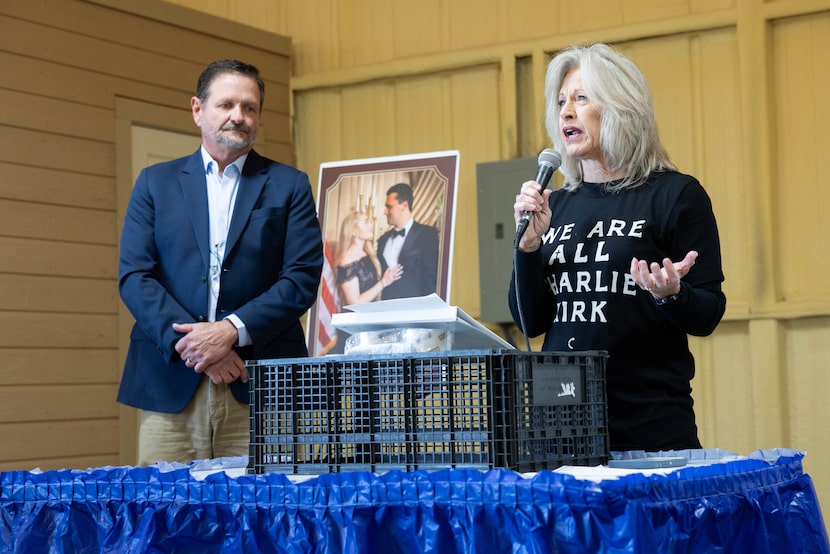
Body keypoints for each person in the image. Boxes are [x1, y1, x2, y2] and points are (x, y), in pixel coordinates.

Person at [509, 43, 726, 453]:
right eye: (561, 102)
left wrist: (671, 294)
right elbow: (530, 321)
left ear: (620, 108)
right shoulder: (556, 206)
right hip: (560, 430)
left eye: (581, 98)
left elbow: (708, 314)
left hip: (648, 431)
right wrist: (528, 248)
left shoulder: (675, 195)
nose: (566, 111)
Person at [117, 59, 324, 465]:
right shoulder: (154, 183)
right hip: (170, 381)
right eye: (226, 104)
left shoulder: (289, 185)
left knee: (264, 515)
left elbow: (300, 278)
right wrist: (198, 347)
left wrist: (230, 331)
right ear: (198, 109)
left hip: (262, 385)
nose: (239, 116)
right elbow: (136, 276)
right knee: (167, 514)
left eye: (250, 107)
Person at [329, 211, 403, 353]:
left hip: (370, 324)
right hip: (355, 330)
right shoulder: (346, 261)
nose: (371, 225)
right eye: (366, 221)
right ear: (354, 231)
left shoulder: (368, 253)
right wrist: (383, 283)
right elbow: (355, 303)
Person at [376, 182, 440, 299]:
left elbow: (431, 279)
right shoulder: (382, 240)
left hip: (416, 311)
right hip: (385, 311)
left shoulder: (428, 235)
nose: (385, 212)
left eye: (389, 207)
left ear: (404, 206)